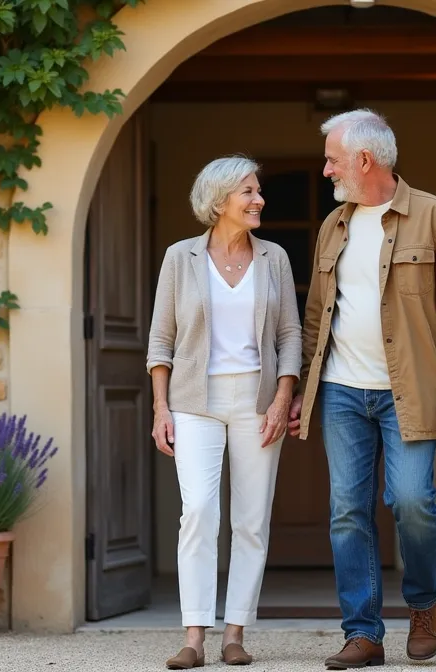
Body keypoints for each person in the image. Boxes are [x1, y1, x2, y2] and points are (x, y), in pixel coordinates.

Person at [287, 108, 436, 669]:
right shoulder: (334, 226)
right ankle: (364, 633)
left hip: (411, 391)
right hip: (344, 391)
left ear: (363, 160)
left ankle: (423, 604)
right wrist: (303, 385)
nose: (326, 170)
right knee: (348, 510)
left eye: (332, 159)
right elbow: (315, 315)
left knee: (411, 501)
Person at [147, 155, 302, 669]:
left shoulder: (273, 258)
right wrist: (160, 407)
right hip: (195, 400)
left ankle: (235, 632)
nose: (259, 200)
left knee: (252, 520)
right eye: (249, 192)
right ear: (219, 202)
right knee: (198, 513)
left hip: (257, 401)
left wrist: (283, 398)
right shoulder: (180, 258)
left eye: (258, 191)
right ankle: (195, 635)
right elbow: (161, 339)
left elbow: (289, 334)